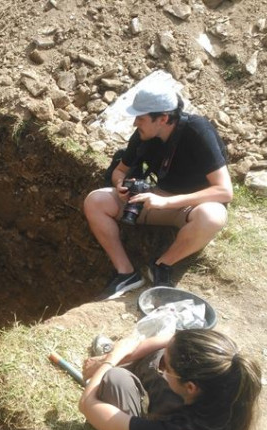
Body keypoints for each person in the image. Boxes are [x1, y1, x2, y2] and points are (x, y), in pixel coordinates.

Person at [84, 86, 232, 299]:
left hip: (193, 206)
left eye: (141, 118)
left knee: (213, 217)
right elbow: (119, 171)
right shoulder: (145, 135)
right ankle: (126, 273)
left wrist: (166, 203)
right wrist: (121, 186)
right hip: (157, 198)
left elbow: (224, 191)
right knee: (95, 201)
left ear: (162, 118)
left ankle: (161, 265)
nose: (135, 123)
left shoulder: (198, 132)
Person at [79, 329, 262, 430]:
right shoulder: (230, 384)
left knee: (114, 378)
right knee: (139, 367)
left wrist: (111, 359)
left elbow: (86, 405)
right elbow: (170, 342)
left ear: (191, 387)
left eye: (166, 367)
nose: (162, 369)